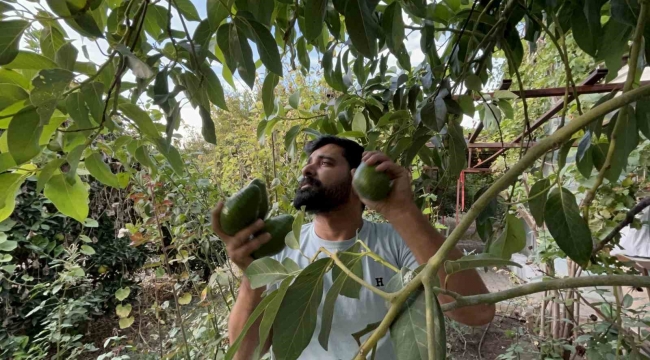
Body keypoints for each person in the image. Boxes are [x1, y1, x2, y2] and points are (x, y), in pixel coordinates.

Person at [212, 135, 494, 360]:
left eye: (325, 163)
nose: (307, 169)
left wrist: (401, 209)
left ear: (356, 177)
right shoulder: (280, 248)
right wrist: (252, 277)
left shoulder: (397, 241)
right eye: (309, 163)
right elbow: (245, 353)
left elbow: (477, 312)